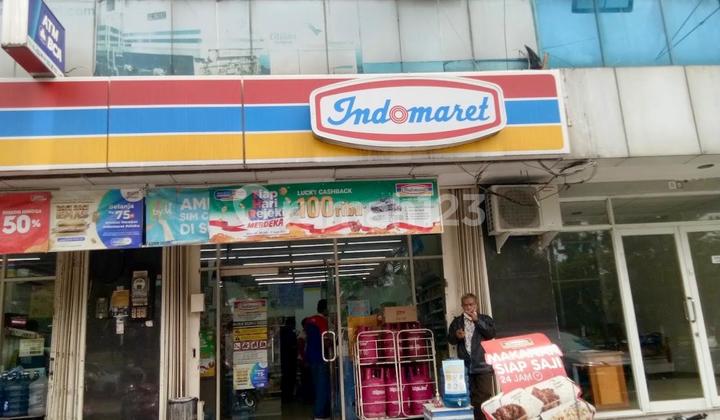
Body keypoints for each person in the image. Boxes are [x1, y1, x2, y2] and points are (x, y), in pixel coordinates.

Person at [448, 293, 496, 419]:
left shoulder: (485, 319)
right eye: (466, 305)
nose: (469, 307)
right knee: (470, 398)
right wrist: (456, 336)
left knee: (484, 396)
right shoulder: (457, 322)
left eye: (471, 304)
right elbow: (450, 340)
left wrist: (477, 321)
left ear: (476, 305)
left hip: (483, 365)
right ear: (462, 306)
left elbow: (491, 334)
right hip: (465, 366)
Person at [303, 299, 330, 420]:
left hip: (311, 357)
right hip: (320, 357)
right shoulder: (322, 321)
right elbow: (325, 340)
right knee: (322, 387)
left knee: (317, 385)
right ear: (325, 309)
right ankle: (319, 414)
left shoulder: (309, 320)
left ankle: (322, 412)